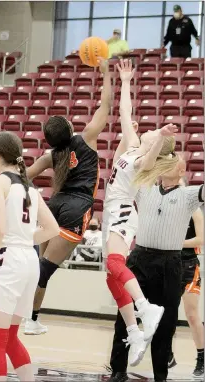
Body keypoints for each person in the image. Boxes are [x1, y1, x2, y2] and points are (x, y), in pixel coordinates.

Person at [24, 57, 111, 335]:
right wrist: (107, 73)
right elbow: (106, 106)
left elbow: (26, 175)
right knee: (44, 270)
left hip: (54, 206)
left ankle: (31, 319)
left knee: (40, 269)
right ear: (70, 129)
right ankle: (24, 315)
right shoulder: (86, 138)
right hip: (77, 207)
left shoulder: (52, 156)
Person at [103, 59, 180, 369]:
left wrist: (161, 136)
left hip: (122, 211)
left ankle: (146, 308)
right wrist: (124, 81)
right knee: (112, 279)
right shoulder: (132, 146)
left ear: (154, 145)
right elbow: (125, 112)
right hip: (111, 212)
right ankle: (134, 331)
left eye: (151, 136)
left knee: (114, 263)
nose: (145, 131)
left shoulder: (141, 159)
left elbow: (150, 160)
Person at [107, 157, 204, 382]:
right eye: (166, 160)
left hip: (170, 263)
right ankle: (117, 370)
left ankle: (161, 375)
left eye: (176, 161)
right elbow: (129, 164)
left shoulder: (189, 195)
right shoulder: (144, 188)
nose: (178, 164)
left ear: (182, 169)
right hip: (139, 257)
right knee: (125, 315)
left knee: (166, 322)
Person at [0, 131, 59, 381]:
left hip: (7, 261)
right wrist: (23, 240)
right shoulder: (29, 188)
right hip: (28, 262)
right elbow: (52, 229)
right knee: (10, 338)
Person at [168, 181, 204, 379]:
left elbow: (201, 239)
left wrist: (178, 242)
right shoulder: (168, 210)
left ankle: (202, 357)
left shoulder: (195, 211)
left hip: (189, 264)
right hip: (170, 262)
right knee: (167, 312)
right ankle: (168, 354)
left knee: (191, 315)